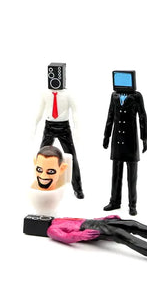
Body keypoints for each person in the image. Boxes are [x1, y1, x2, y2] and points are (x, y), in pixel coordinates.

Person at [36, 63, 84, 198]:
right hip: (49, 126)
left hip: (64, 127)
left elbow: (75, 112)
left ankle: (78, 188)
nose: (54, 80)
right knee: (41, 157)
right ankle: (40, 184)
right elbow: (39, 110)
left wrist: (77, 129)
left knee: (72, 157)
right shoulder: (45, 93)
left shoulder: (68, 94)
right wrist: (34, 125)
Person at [47, 216, 147, 263]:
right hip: (88, 229)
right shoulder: (51, 229)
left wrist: (104, 218)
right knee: (120, 235)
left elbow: (83, 219)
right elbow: (65, 237)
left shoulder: (59, 219)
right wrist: (81, 235)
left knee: (133, 224)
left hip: (94, 222)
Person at [103, 70, 147, 215]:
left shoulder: (136, 96)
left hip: (131, 141)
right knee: (116, 173)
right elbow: (110, 116)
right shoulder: (114, 96)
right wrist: (106, 136)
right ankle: (114, 201)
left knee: (132, 176)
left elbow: (142, 117)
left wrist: (144, 138)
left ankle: (132, 204)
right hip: (117, 140)